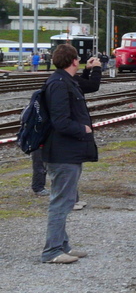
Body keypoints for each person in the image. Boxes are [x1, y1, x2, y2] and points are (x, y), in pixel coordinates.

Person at [39, 44, 101, 264]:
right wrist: (82, 128)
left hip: (69, 152)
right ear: (74, 61)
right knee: (61, 202)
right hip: (62, 153)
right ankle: (52, 251)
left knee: (65, 201)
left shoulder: (66, 81)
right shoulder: (58, 84)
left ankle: (62, 245)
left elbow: (89, 85)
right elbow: (60, 121)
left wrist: (91, 71)